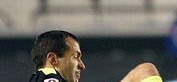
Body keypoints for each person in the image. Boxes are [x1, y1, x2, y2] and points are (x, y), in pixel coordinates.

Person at [29, 30, 163, 82]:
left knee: (145, 70)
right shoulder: (49, 78)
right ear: (53, 59)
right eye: (75, 56)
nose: (82, 65)